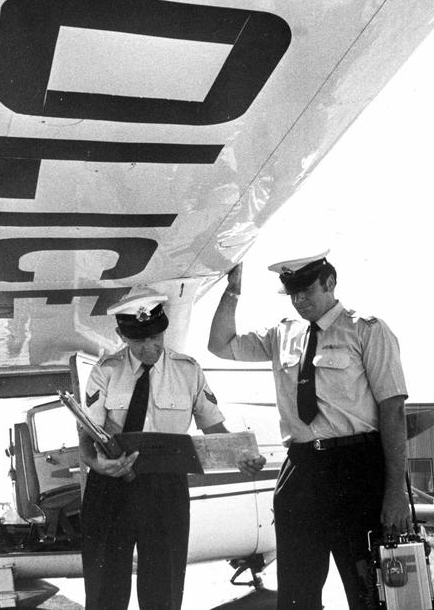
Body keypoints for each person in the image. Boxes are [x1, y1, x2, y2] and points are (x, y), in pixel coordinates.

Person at [208, 251, 411, 610]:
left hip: (357, 468)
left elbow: (393, 411)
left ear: (330, 283)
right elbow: (220, 345)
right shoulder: (283, 334)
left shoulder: (367, 330)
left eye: (307, 292)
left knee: (370, 589)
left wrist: (395, 492)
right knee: (297, 594)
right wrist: (232, 293)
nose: (300, 302)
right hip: (301, 468)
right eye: (293, 295)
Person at [79, 291, 264, 610]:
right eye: (138, 340)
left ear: (164, 330)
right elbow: (86, 435)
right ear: (120, 334)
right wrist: (97, 465)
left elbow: (214, 429)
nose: (149, 347)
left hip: (165, 489)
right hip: (111, 485)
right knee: (104, 590)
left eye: (155, 337)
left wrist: (242, 455)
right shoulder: (105, 371)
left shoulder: (188, 371)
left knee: (163, 589)